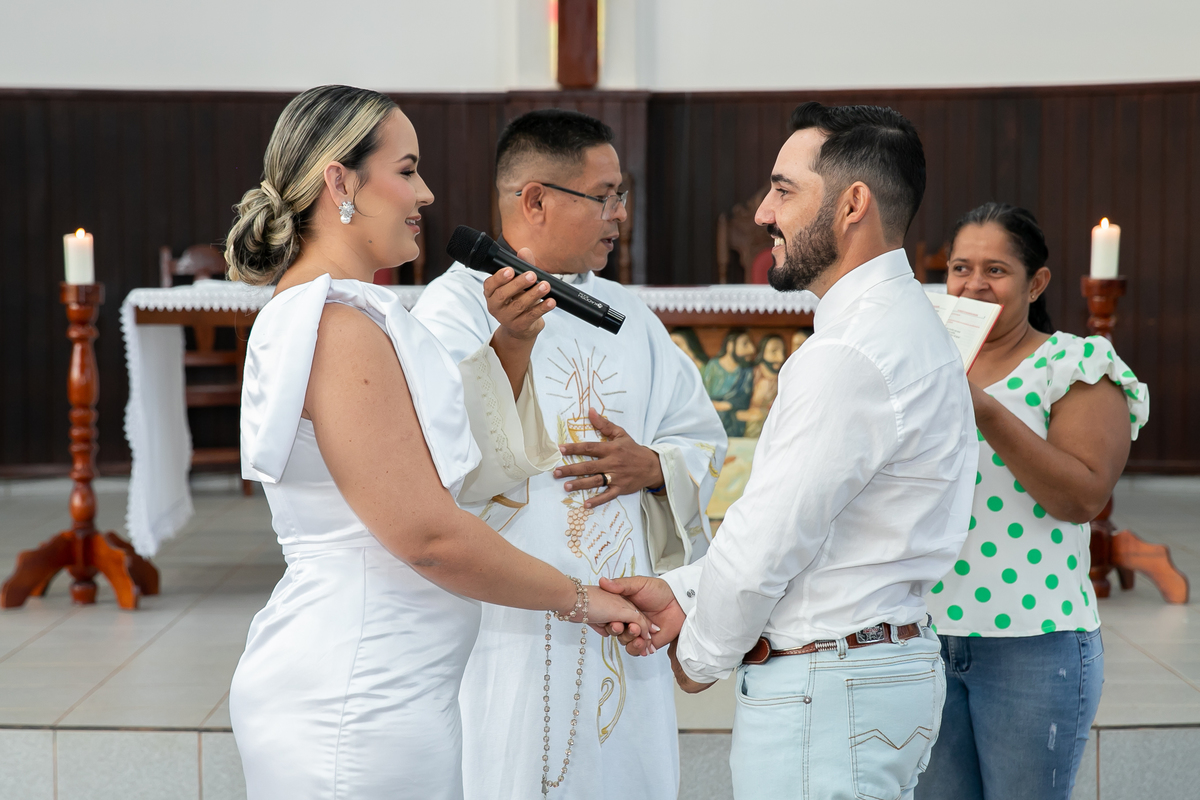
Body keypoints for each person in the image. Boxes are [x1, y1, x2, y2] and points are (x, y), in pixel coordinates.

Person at [224, 86, 649, 800]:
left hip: (384, 676)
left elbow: (424, 462)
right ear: (340, 182)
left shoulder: (335, 310)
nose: (425, 193)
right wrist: (580, 598)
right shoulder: (339, 325)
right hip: (358, 687)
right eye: (407, 169)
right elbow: (427, 535)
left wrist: (510, 343)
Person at [606, 101, 977, 800]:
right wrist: (685, 593)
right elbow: (833, 535)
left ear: (852, 204)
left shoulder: (850, 353)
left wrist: (701, 652)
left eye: (784, 190)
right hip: (868, 667)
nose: (763, 214)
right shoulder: (902, 322)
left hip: (827, 690)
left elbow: (770, 539)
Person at [412, 108, 726, 800]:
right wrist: (510, 347)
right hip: (512, 621)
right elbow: (442, 460)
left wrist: (655, 468)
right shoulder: (454, 308)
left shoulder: (627, 313)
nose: (620, 215)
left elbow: (700, 435)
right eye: (604, 196)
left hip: (626, 609)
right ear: (535, 200)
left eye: (622, 195)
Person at [916, 203, 1149, 800]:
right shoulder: (922, 365)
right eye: (961, 268)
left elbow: (1082, 497)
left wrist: (985, 410)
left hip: (1033, 642)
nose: (973, 284)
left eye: (995, 270)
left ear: (1036, 282)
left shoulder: (1075, 364)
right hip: (921, 634)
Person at [703, 329, 756, 437]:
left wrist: (728, 405)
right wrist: (717, 405)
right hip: (714, 413)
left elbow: (744, 398)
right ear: (730, 345)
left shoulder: (746, 371)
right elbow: (703, 395)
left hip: (735, 415)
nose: (751, 349)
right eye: (745, 344)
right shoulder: (713, 366)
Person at [738, 333, 785, 437]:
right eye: (774, 352)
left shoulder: (784, 378)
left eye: (783, 352)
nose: (780, 358)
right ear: (762, 352)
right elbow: (737, 405)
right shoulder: (751, 375)